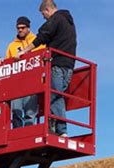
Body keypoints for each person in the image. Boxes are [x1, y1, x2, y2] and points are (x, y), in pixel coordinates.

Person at [16, 1, 77, 137]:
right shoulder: (69, 22)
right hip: (69, 65)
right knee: (55, 95)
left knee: (54, 95)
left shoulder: (56, 19)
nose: (44, 17)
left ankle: (61, 130)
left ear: (47, 10)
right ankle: (55, 127)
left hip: (57, 63)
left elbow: (42, 36)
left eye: (43, 14)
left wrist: (24, 51)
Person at [5, 17, 44, 128]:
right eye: (18, 28)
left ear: (28, 28)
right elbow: (7, 64)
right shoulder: (11, 46)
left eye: (23, 28)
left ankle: (29, 132)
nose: (20, 30)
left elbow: (43, 59)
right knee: (16, 112)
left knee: (30, 112)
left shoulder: (37, 41)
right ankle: (17, 133)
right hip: (16, 84)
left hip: (32, 82)